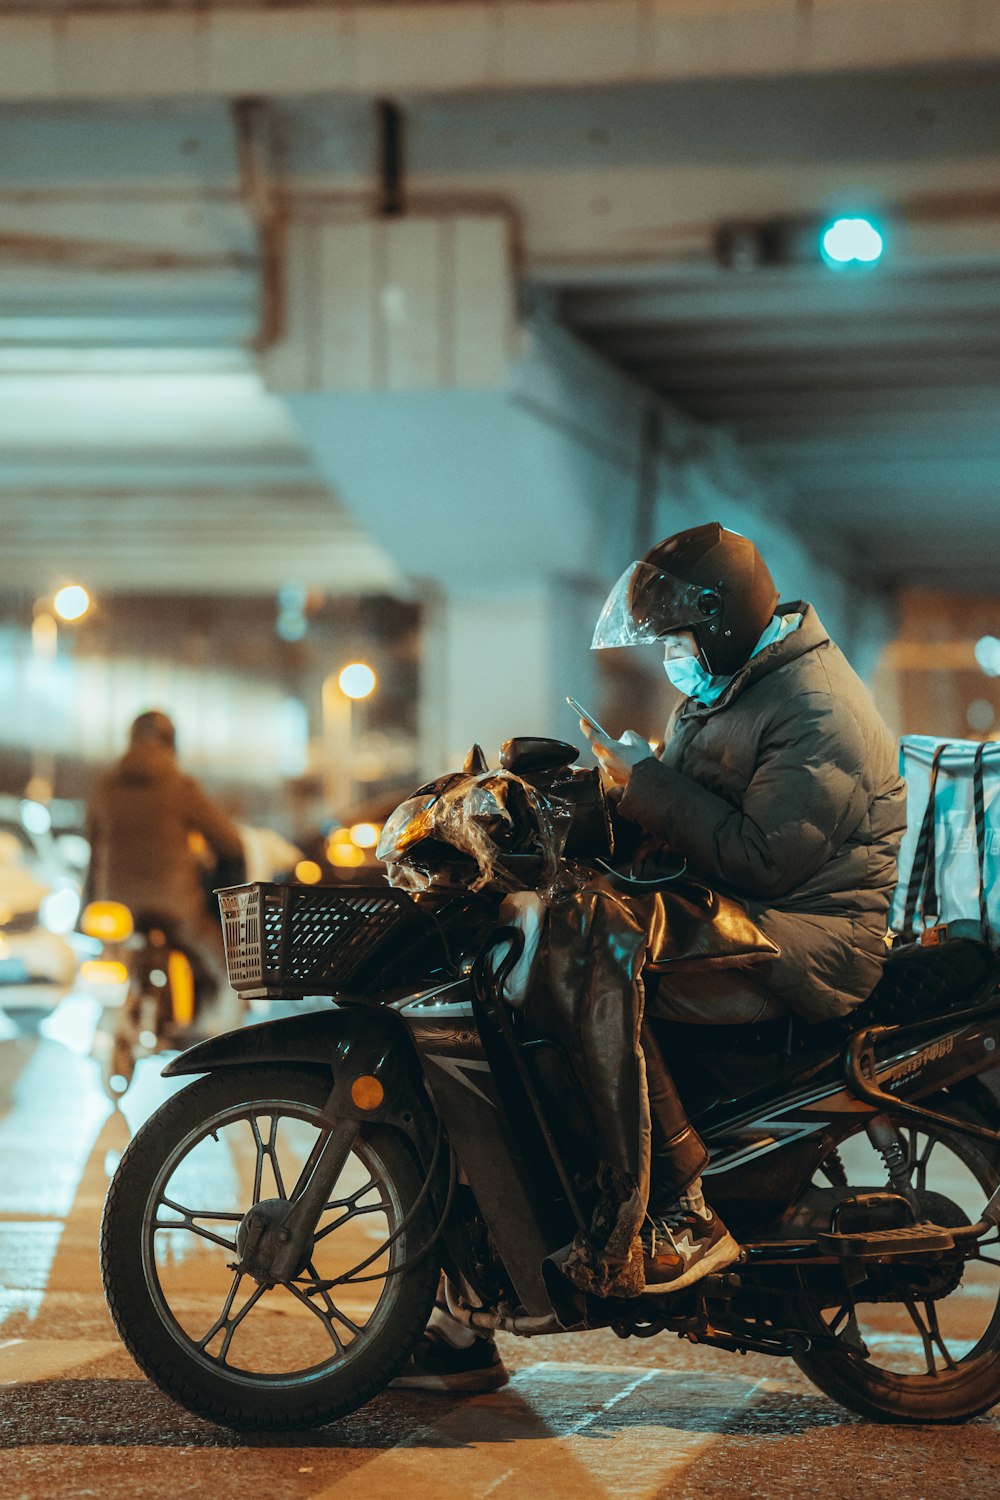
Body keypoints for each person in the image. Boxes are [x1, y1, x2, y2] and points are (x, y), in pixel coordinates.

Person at [392, 521, 905, 1389]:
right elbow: (672, 810)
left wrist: (644, 781)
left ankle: (681, 1208)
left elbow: (760, 856)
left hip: (805, 935)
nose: (673, 655)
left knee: (598, 959)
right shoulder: (729, 690)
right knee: (565, 939)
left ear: (726, 620)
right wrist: (570, 796)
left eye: (680, 636)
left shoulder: (816, 710)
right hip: (736, 914)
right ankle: (478, 1292)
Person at [84, 709, 247, 1036]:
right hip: (173, 906)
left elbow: (91, 841)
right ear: (171, 743)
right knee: (224, 961)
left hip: (115, 905)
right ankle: (227, 1021)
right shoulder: (179, 786)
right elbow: (230, 843)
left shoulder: (105, 786)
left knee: (107, 953)